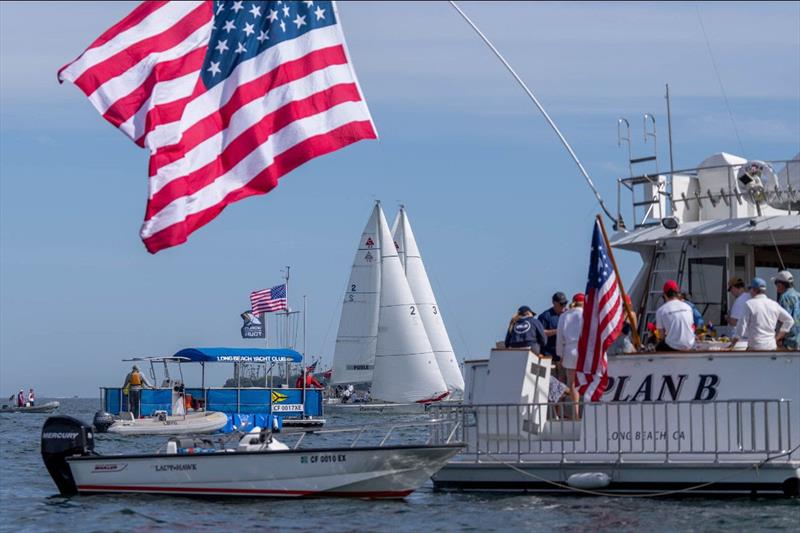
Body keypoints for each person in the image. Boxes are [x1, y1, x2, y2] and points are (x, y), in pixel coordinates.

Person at [729, 277, 794, 351]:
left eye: (750, 289)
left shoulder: (749, 304)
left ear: (754, 290)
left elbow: (741, 326)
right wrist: (778, 337)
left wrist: (733, 343)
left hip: (755, 347)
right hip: (771, 346)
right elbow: (789, 320)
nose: (750, 291)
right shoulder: (774, 304)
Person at [556, 293, 584, 419]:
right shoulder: (586, 314)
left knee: (572, 383)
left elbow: (559, 337)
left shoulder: (564, 316)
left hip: (569, 350)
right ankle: (589, 411)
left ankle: (576, 413)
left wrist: (560, 354)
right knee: (588, 380)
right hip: (583, 350)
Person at [655, 280, 696, 351]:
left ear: (665, 295)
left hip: (673, 347)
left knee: (658, 347)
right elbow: (691, 327)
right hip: (690, 344)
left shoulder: (661, 311)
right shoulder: (688, 307)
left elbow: (661, 335)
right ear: (677, 293)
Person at [538, 292, 569, 361]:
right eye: (561, 304)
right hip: (549, 356)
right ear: (554, 303)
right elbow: (541, 332)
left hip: (564, 357)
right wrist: (558, 330)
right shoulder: (545, 316)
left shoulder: (568, 315)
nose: (564, 306)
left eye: (565, 303)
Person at [773, 271, 799, 350]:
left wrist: (778, 338)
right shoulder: (798, 295)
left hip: (789, 342)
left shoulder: (784, 297)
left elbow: (785, 320)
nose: (776, 287)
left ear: (781, 284)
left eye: (776, 284)